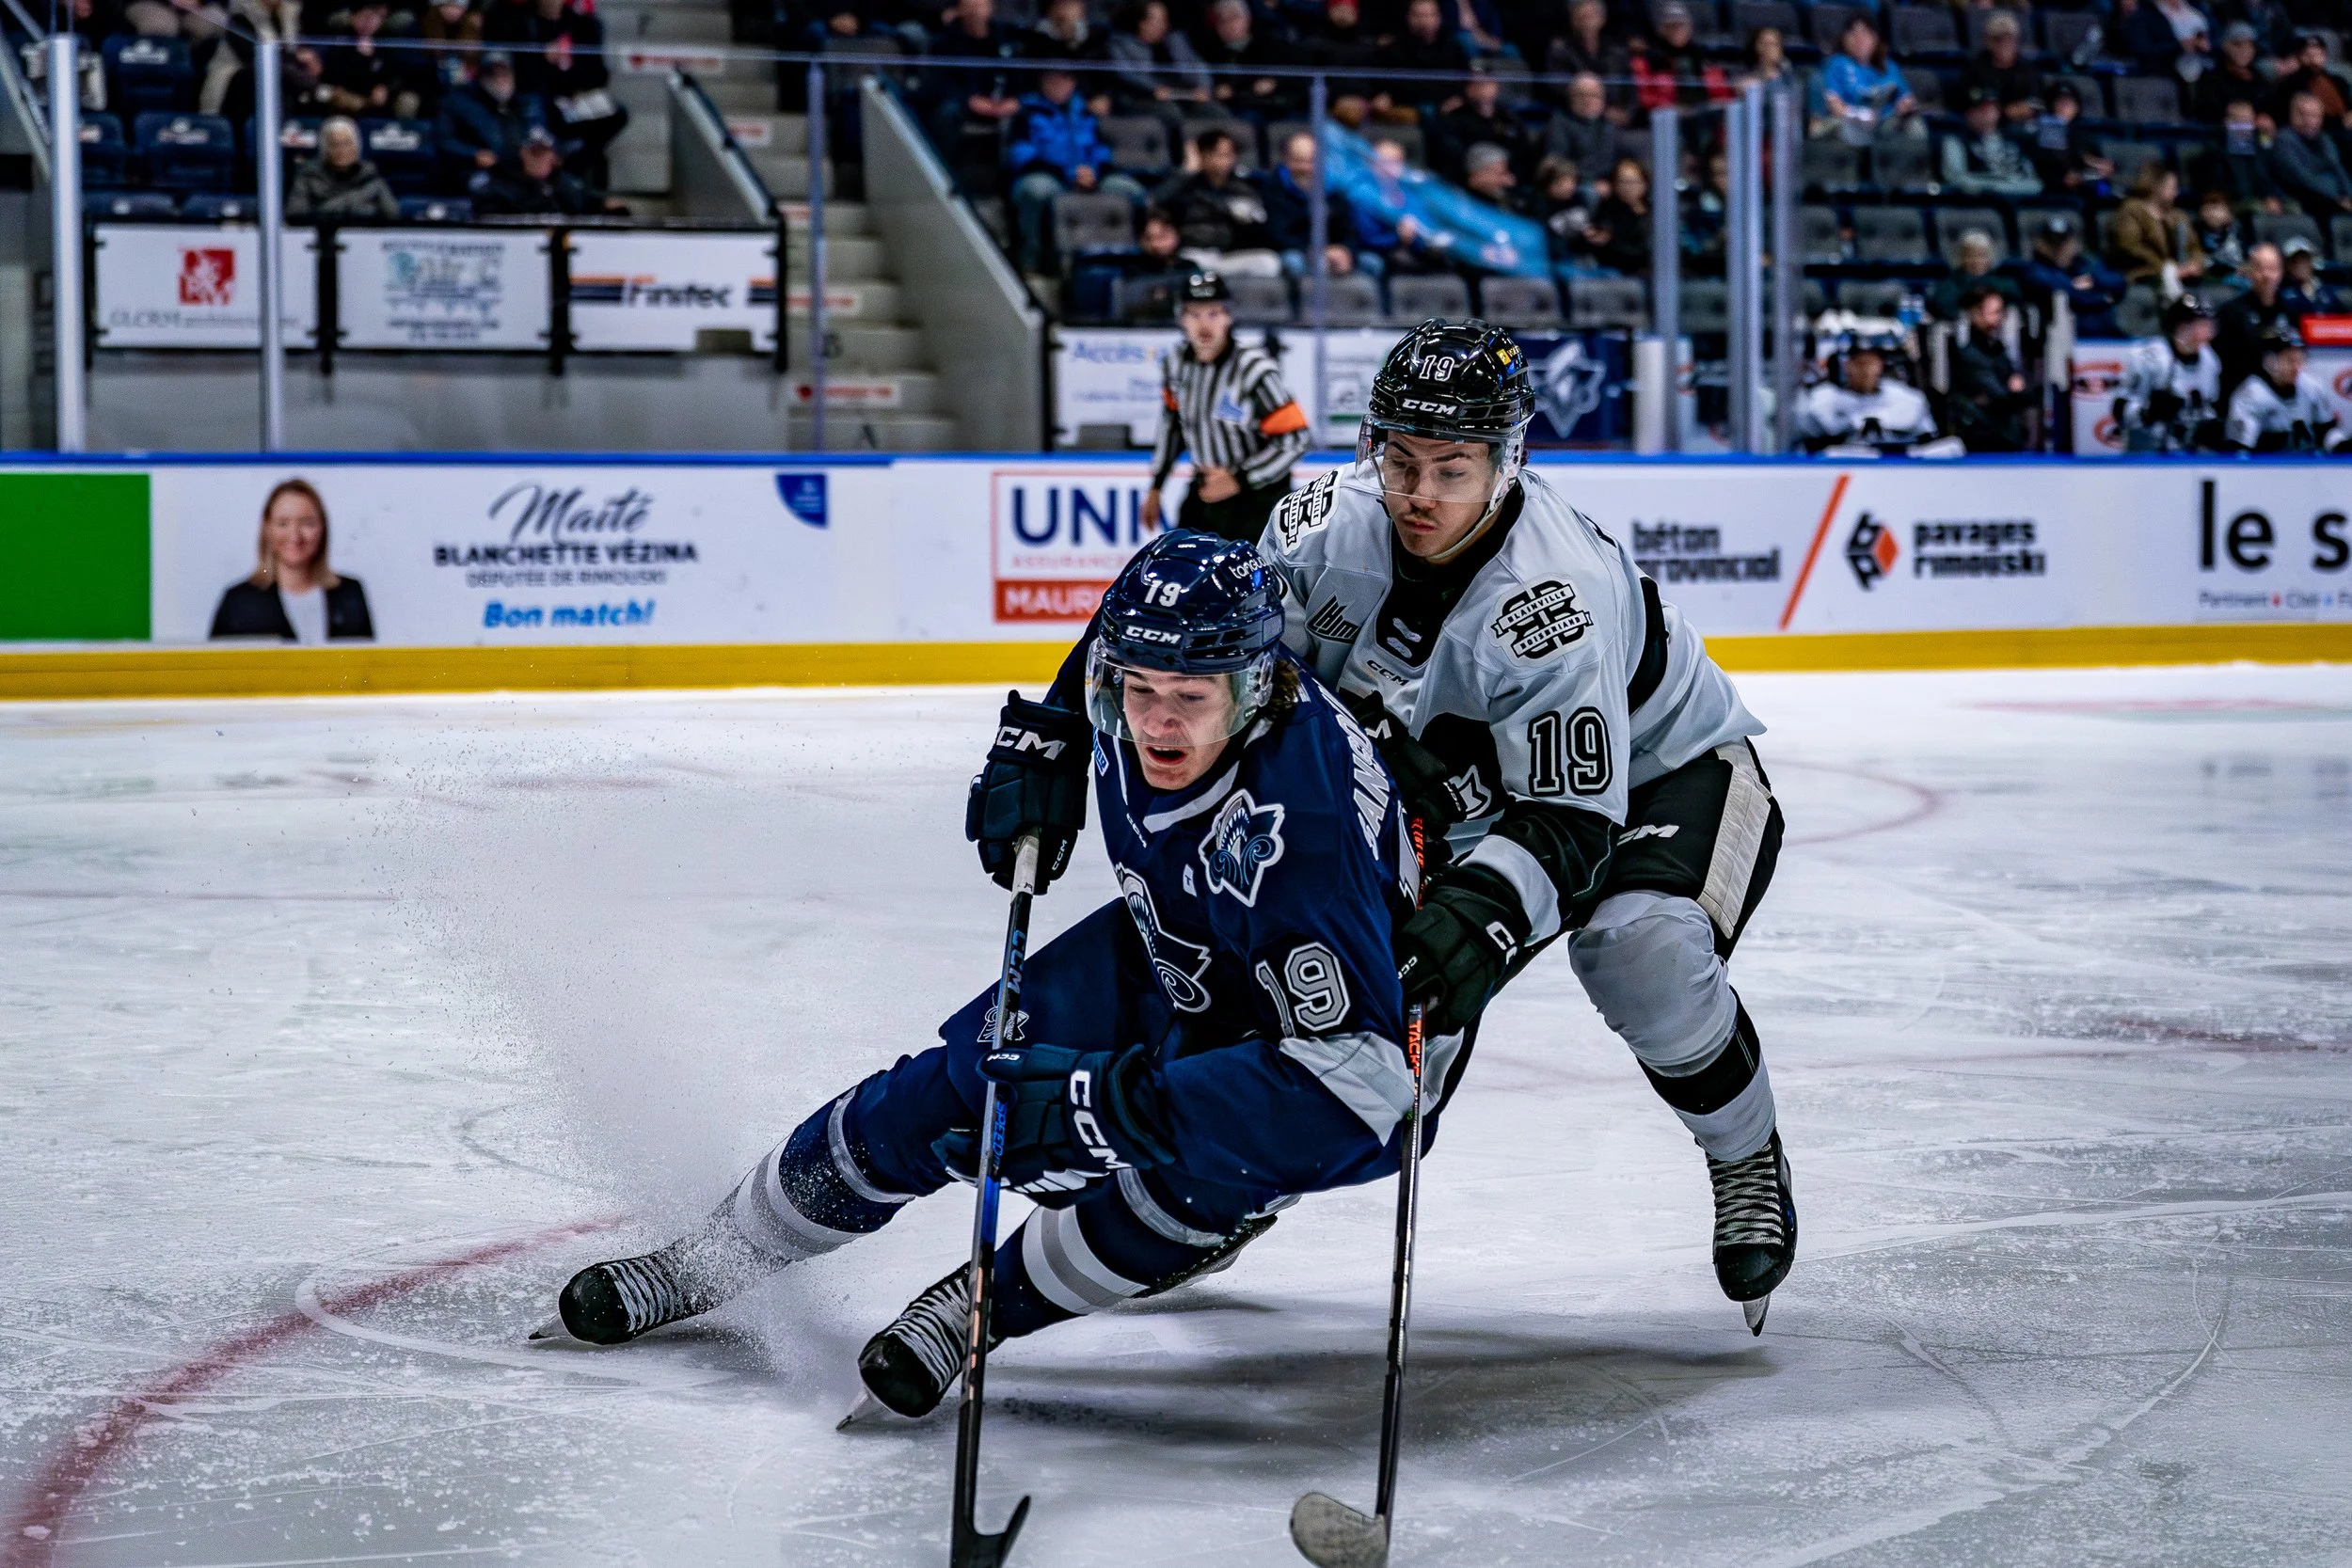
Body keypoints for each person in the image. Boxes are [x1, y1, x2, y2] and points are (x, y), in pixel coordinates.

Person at [539, 532, 1431, 1428]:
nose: (1159, 722)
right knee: (965, 1083)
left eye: (1191, 699)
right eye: (1139, 690)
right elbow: (1119, 634)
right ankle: (714, 1256)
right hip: (1185, 943)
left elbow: (1365, 1092)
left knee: (1179, 1181)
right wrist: (1050, 733)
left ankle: (978, 1311)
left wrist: (1120, 1104)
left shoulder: (1302, 834)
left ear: (1254, 686)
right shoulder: (1160, 666)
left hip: (1317, 1034)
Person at [1143, 272, 1310, 541]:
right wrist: (1156, 486)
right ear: (1181, 319)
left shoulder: (1255, 370)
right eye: (1194, 314)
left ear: (1228, 317)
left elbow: (1295, 438)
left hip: (1259, 499)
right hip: (1206, 488)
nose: (1204, 324)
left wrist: (1240, 479)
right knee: (1181, 567)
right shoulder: (1175, 364)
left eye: (1213, 313)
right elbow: (1173, 424)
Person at [1005, 65, 1148, 274]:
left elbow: (1103, 150)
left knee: (1129, 189)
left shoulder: (1088, 112)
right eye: (1053, 80)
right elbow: (1021, 154)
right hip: (1046, 175)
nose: (1059, 86)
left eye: (1065, 80)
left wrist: (1094, 173)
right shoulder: (1026, 112)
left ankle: (1129, 259)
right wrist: (1068, 174)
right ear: (1042, 81)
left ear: (1073, 83)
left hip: (1090, 176)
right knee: (1037, 190)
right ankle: (1033, 260)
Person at [210, 479, 373, 642]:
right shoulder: (238, 602)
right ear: (267, 529)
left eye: (307, 523)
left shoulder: (350, 593)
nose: (295, 535)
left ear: (323, 528)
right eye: (283, 524)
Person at [485, 0, 626, 190]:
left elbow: (598, 74)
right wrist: (544, 59)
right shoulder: (524, 22)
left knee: (617, 114)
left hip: (575, 100)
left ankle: (570, 168)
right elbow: (522, 75)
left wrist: (580, 86)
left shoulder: (582, 24)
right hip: (539, 99)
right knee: (535, 111)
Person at [1152, 127, 1280, 275]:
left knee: (1267, 262)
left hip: (1228, 255)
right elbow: (1156, 200)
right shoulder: (1184, 185)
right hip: (1192, 254)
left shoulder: (1242, 188)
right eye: (1218, 154)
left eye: (1229, 155)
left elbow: (1261, 224)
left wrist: (1248, 219)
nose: (1225, 161)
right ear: (1203, 156)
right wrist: (1187, 171)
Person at [2116, 293, 2226, 451]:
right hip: (2146, 455)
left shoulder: (2210, 360)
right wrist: (2147, 412)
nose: (2208, 332)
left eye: (2210, 325)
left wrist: (2210, 424)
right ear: (2182, 327)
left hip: (2186, 455)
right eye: (2202, 325)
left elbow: (2207, 407)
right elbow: (2119, 409)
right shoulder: (2148, 357)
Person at [1796, 332, 1940, 451]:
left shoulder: (1908, 398)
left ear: (1881, 365)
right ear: (1847, 365)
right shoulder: (1823, 398)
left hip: (1898, 469)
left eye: (1871, 363)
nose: (1865, 370)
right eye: (1859, 363)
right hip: (1841, 468)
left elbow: (1930, 442)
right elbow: (1806, 443)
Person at [2224, 321, 2352, 451]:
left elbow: (2326, 430)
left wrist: (2342, 446)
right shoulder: (2251, 395)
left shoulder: (2311, 387)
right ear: (2269, 361)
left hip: (2307, 467)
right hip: (2265, 467)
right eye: (2290, 360)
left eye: (2300, 360)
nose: (2297, 368)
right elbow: (2240, 450)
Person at [435, 50, 542, 192]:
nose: (499, 79)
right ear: (481, 76)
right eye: (492, 73)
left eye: (504, 72)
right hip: (475, 172)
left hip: (521, 170)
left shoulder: (525, 104)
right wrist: (474, 155)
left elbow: (542, 136)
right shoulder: (458, 103)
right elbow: (443, 141)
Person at [1947, 285, 2034, 451]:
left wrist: (2017, 391)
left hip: (2006, 436)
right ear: (1975, 314)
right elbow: (2001, 396)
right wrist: (2015, 391)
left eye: (2001, 312)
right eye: (1994, 312)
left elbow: (2027, 392)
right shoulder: (1969, 356)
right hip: (1982, 441)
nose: (2000, 318)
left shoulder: (1998, 350)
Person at [1105, 0, 1209, 140]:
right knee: (1172, 114)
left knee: (1213, 110)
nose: (1165, 25)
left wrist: (1204, 87)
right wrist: (1153, 88)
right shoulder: (1120, 44)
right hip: (1141, 98)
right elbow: (1126, 74)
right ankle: (1183, 158)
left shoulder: (1176, 41)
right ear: (1142, 23)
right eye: (1159, 20)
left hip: (1185, 94)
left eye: (1165, 20)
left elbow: (1197, 65)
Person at [1264, 130, 1360, 279]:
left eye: (1312, 161)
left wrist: (1346, 251)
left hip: (1331, 252)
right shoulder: (1273, 189)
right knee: (1294, 262)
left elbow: (1349, 231)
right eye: (1299, 161)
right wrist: (1317, 251)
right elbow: (1277, 236)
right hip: (1297, 252)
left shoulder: (1334, 191)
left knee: (1371, 263)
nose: (1307, 168)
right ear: (1286, 160)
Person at [472, 125, 628, 215]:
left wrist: (602, 206)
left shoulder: (562, 182)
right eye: (533, 153)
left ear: (554, 157)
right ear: (522, 154)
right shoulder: (501, 184)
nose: (538, 159)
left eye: (543, 153)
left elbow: (581, 206)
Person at [2016, 212, 2126, 337]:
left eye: (2064, 241)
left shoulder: (2085, 264)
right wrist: (2104, 298)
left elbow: (2118, 282)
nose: (2059, 248)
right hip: (2068, 340)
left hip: (2106, 335)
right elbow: (2069, 294)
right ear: (2041, 244)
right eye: (2053, 243)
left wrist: (2094, 281)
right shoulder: (2035, 271)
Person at [1430, 60, 1537, 185]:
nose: (1481, 86)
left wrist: (1511, 177)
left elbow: (1524, 157)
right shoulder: (1453, 119)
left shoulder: (1509, 120)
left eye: (1486, 81)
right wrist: (1474, 177)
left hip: (1509, 184)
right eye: (1475, 82)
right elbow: (1450, 159)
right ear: (1467, 88)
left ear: (1496, 85)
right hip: (1468, 185)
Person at [1816, 15, 1917, 141]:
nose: (1860, 40)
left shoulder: (1888, 66)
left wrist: (1904, 106)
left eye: (1865, 34)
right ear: (1844, 39)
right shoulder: (1837, 64)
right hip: (1852, 123)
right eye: (1854, 34)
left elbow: (1907, 98)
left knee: (1914, 126)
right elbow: (1834, 104)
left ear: (1875, 38)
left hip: (1885, 123)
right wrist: (1860, 115)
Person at [2109, 163, 2208, 290]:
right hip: (2146, 274)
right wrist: (2167, 269)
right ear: (2157, 187)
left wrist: (2195, 264)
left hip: (2182, 275)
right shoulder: (2132, 210)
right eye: (2172, 187)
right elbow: (2130, 246)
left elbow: (2194, 247)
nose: (2176, 192)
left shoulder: (2178, 216)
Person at [2217, 240, 2292, 401]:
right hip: (2242, 396)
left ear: (2281, 273)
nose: (2266, 275)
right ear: (2249, 271)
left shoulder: (2291, 310)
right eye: (2260, 268)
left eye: (2272, 269)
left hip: (2284, 397)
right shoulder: (2231, 312)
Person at [286, 115, 401, 220]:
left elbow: (393, 215)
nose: (341, 150)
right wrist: (354, 201)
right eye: (335, 145)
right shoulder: (308, 176)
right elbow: (296, 216)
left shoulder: (371, 176)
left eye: (347, 143)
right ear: (324, 149)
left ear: (357, 147)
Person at [1373, 0, 1471, 122]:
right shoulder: (1395, 49)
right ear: (1408, 17)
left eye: (1430, 15)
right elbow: (1392, 87)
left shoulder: (1454, 48)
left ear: (1439, 17)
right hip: (1412, 107)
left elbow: (1466, 79)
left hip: (1450, 106)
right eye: (1418, 16)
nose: (1425, 21)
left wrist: (1460, 98)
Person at [1196, 0, 1295, 119]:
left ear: (1247, 18)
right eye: (1222, 20)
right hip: (1223, 111)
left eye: (1234, 18)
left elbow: (1283, 80)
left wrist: (1275, 82)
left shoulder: (1267, 46)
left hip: (1262, 109)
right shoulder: (1210, 51)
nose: (1228, 25)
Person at [1941, 86, 2044, 197]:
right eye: (1981, 109)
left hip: (2021, 202)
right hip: (1977, 207)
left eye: (1992, 108)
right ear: (1969, 113)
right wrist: (1995, 187)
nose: (1987, 113)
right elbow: (1956, 180)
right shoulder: (1955, 141)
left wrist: (2008, 187)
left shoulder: (2014, 141)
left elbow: (2035, 182)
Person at [2267, 91, 2352, 215]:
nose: (2311, 122)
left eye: (2316, 116)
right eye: (2306, 115)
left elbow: (2338, 169)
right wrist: (2337, 199)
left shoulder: (2325, 139)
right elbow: (2302, 177)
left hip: (2338, 200)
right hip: (2308, 199)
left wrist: (2349, 196)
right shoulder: (2284, 140)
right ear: (2294, 115)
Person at [2027, 80, 2117, 197]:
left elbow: (2095, 162)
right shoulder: (2038, 132)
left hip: (2084, 188)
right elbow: (2041, 167)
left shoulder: (2083, 136)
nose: (2065, 107)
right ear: (2051, 105)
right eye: (2060, 102)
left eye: (2069, 103)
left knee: (2104, 191)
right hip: (2051, 191)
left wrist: (2104, 168)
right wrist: (2063, 178)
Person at [1957, 11, 2045, 124]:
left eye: (2010, 39)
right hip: (1987, 126)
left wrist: (2026, 108)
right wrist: (2004, 111)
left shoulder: (2027, 69)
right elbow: (1968, 101)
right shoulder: (1974, 69)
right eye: (1998, 39)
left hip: (2025, 124)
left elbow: (2037, 100)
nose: (2005, 44)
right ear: (1988, 41)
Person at [1579, 155, 1652, 277]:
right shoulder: (1607, 209)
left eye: (1633, 182)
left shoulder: (1656, 212)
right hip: (1620, 272)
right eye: (1622, 182)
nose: (1628, 187)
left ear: (1644, 183)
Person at [2191, 22, 2275, 124]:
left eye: (2249, 46)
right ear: (2226, 46)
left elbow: (2269, 107)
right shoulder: (2212, 77)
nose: (2244, 51)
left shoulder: (2259, 79)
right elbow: (2204, 110)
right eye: (2238, 45)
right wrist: (2229, 110)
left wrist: (2263, 119)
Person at [1929, 230, 2021, 320]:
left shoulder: (2001, 281)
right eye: (1970, 255)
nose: (1976, 260)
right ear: (1960, 258)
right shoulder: (1951, 282)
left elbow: (2015, 297)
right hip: (1962, 327)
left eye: (1982, 255)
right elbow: (1944, 305)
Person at [1546, 71, 1616, 177]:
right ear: (1571, 99)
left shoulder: (1609, 125)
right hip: (1572, 182)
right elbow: (1557, 163)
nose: (1588, 101)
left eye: (1594, 96)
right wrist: (1590, 181)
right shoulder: (1559, 123)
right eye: (1581, 95)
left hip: (1604, 183)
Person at [2124, 0, 2213, 83]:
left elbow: (2216, 35)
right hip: (2165, 77)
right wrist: (2179, 46)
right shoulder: (2144, 15)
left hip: (2207, 69)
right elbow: (2142, 50)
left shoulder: (2196, 6)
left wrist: (2206, 44)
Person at [2280, 234, 2345, 314]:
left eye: (2304, 260)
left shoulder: (2327, 292)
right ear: (2288, 265)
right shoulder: (2283, 295)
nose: (2301, 266)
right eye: (2295, 262)